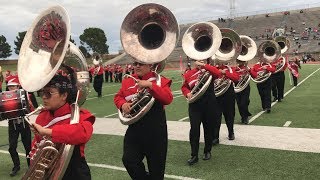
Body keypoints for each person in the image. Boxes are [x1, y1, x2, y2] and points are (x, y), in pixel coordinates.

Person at [114, 61, 173, 179]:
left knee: (157, 171)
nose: (137, 66)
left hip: (156, 131)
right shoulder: (128, 81)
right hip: (135, 130)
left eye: (141, 64)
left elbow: (168, 99)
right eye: (135, 63)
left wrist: (151, 86)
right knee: (129, 160)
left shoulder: (159, 80)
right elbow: (118, 97)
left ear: (150, 65)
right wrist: (122, 104)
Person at [30, 74, 95, 179]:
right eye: (42, 93)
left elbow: (82, 134)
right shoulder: (42, 116)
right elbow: (37, 143)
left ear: (64, 95)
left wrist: (48, 132)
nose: (44, 97)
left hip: (74, 171)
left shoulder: (78, 115)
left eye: (49, 93)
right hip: (48, 170)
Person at [181, 59, 220, 165]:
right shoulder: (189, 73)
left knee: (208, 129)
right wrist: (187, 93)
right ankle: (194, 155)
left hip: (209, 104)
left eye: (202, 60)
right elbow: (184, 87)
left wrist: (204, 65)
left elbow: (218, 73)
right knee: (194, 129)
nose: (200, 61)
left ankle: (207, 151)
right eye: (198, 60)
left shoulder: (209, 70)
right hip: (195, 105)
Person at [6, 75, 36, 176]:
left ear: (18, 86)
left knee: (28, 147)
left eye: (13, 86)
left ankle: (30, 167)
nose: (11, 88)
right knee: (12, 147)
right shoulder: (5, 97)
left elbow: (32, 110)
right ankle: (16, 166)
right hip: (12, 125)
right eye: (10, 86)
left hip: (24, 124)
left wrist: (29, 103)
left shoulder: (26, 95)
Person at [213, 60, 240, 141]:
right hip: (216, 96)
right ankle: (215, 136)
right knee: (216, 117)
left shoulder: (230, 69)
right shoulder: (213, 68)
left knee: (230, 115)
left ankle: (231, 132)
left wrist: (225, 73)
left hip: (229, 96)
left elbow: (236, 79)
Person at [234, 60, 252, 124]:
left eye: (242, 61)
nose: (240, 62)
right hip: (237, 87)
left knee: (243, 103)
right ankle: (243, 116)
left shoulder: (247, 68)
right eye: (239, 61)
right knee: (239, 103)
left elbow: (254, 75)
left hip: (245, 87)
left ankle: (245, 117)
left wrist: (249, 70)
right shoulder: (234, 69)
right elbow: (232, 77)